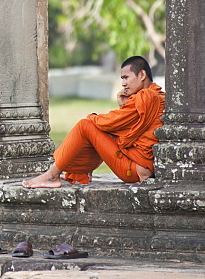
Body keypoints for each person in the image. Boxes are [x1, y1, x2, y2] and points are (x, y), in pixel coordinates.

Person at [23, 56, 164, 188]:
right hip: (143, 168)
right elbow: (131, 128)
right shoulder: (158, 95)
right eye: (122, 79)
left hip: (134, 170)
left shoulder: (146, 96)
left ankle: (51, 175)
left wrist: (91, 117)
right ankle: (78, 172)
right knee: (97, 129)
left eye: (126, 77)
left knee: (85, 125)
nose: (123, 83)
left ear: (142, 75)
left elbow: (110, 123)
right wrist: (123, 107)